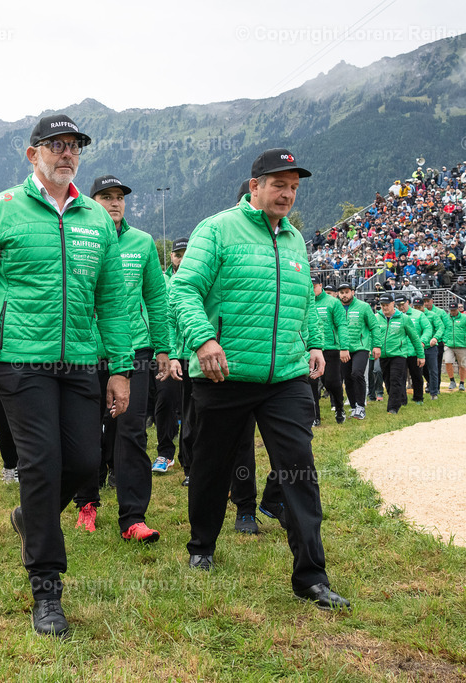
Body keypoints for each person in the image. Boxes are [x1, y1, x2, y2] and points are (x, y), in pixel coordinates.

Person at [0, 114, 133, 636]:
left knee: (86, 461)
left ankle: (31, 516)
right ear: (33, 155)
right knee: (42, 463)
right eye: (56, 145)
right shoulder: (1, 210)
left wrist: (120, 368)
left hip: (80, 359)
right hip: (18, 359)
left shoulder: (96, 219)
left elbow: (112, 299)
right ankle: (46, 589)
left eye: (74, 145)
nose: (66, 153)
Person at [170, 148, 350, 611]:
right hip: (224, 372)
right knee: (212, 468)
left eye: (293, 187)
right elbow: (184, 290)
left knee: (299, 469)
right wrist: (203, 339)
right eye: (278, 185)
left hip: (285, 376)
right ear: (255, 187)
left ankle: (311, 577)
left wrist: (313, 342)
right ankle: (202, 546)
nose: (287, 194)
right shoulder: (217, 229)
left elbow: (304, 301)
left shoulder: (294, 239)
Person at [73, 174, 170, 541]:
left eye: (119, 197)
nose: (114, 202)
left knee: (131, 431)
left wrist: (163, 347)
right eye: (106, 196)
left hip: (135, 350)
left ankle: (133, 518)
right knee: (86, 433)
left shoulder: (142, 242)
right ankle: (87, 503)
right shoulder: (78, 239)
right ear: (91, 202)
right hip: (86, 350)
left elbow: (157, 297)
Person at [154, 237, 191, 482]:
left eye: (186, 254)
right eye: (178, 254)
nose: (182, 258)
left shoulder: (199, 278)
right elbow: (164, 319)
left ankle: (190, 462)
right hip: (168, 353)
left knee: (191, 409)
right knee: (165, 400)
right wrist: (168, 352)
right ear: (171, 257)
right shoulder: (161, 281)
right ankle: (165, 453)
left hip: (193, 354)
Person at [372, 294, 424, 415]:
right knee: (388, 382)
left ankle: (393, 408)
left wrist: (421, 355)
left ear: (393, 304)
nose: (384, 308)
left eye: (387, 305)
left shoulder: (404, 318)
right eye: (382, 305)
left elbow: (414, 338)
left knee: (396, 379)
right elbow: (372, 335)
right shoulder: (376, 318)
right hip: (384, 355)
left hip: (399, 354)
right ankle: (398, 400)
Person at [310, 279, 348, 425]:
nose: (312, 289)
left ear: (320, 286)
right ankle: (314, 416)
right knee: (311, 383)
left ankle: (339, 408)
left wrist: (344, 347)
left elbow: (341, 325)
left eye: (314, 286)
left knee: (332, 382)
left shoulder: (333, 302)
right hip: (311, 348)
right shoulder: (306, 302)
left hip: (330, 348)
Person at [337, 283, 375, 419]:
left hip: (360, 347)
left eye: (347, 292)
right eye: (341, 293)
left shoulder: (363, 307)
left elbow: (374, 326)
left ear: (352, 292)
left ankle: (360, 406)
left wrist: (376, 346)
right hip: (343, 348)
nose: (344, 295)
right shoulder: (336, 307)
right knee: (347, 378)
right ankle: (353, 407)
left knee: (357, 373)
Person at [395, 295, 427, 405]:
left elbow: (427, 328)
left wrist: (423, 341)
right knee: (400, 377)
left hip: (414, 350)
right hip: (400, 351)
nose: (401, 307)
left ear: (408, 302)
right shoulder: (394, 316)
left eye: (402, 305)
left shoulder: (418, 315)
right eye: (398, 305)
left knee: (416, 375)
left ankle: (418, 398)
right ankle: (402, 400)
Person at [439, 301, 466, 391]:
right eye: (451, 310)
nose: (452, 312)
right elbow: (441, 329)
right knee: (448, 362)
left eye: (454, 310)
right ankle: (452, 381)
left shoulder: (465, 318)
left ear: (457, 309)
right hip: (449, 344)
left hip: (462, 345)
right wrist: (443, 339)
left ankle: (462, 383)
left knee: (462, 365)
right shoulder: (445, 318)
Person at [412, 296, 443, 399]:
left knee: (433, 370)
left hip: (430, 346)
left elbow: (440, 327)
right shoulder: (411, 316)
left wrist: (435, 338)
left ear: (423, 306)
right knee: (421, 370)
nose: (417, 309)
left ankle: (434, 392)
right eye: (415, 307)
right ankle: (427, 387)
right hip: (417, 347)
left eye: (419, 307)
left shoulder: (432, 315)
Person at [421, 294, 447, 397]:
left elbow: (446, 326)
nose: (426, 303)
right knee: (424, 367)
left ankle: (436, 387)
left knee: (436, 366)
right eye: (424, 301)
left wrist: (444, 339)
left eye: (428, 301)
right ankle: (430, 383)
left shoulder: (440, 312)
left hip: (437, 342)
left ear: (432, 301)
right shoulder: (420, 314)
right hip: (424, 343)